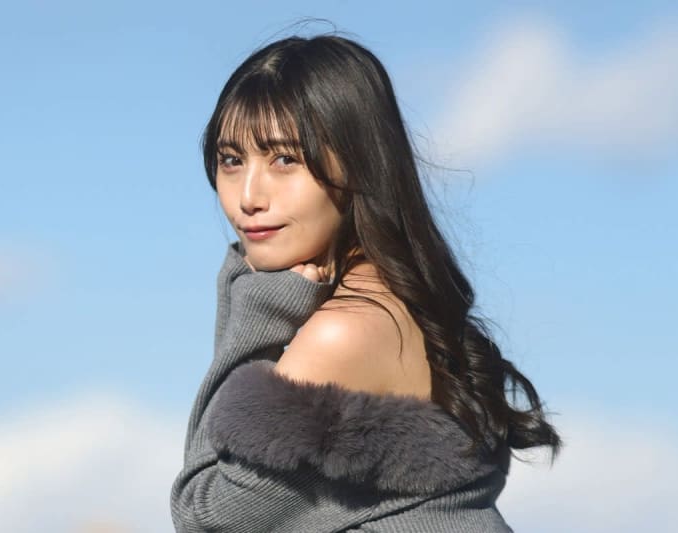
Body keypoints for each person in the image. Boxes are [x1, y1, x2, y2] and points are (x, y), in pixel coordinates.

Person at [171, 33, 561, 533]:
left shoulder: (345, 332)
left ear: (359, 163)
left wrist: (256, 311)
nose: (248, 196)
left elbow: (204, 518)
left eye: (285, 160)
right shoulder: (404, 304)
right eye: (231, 160)